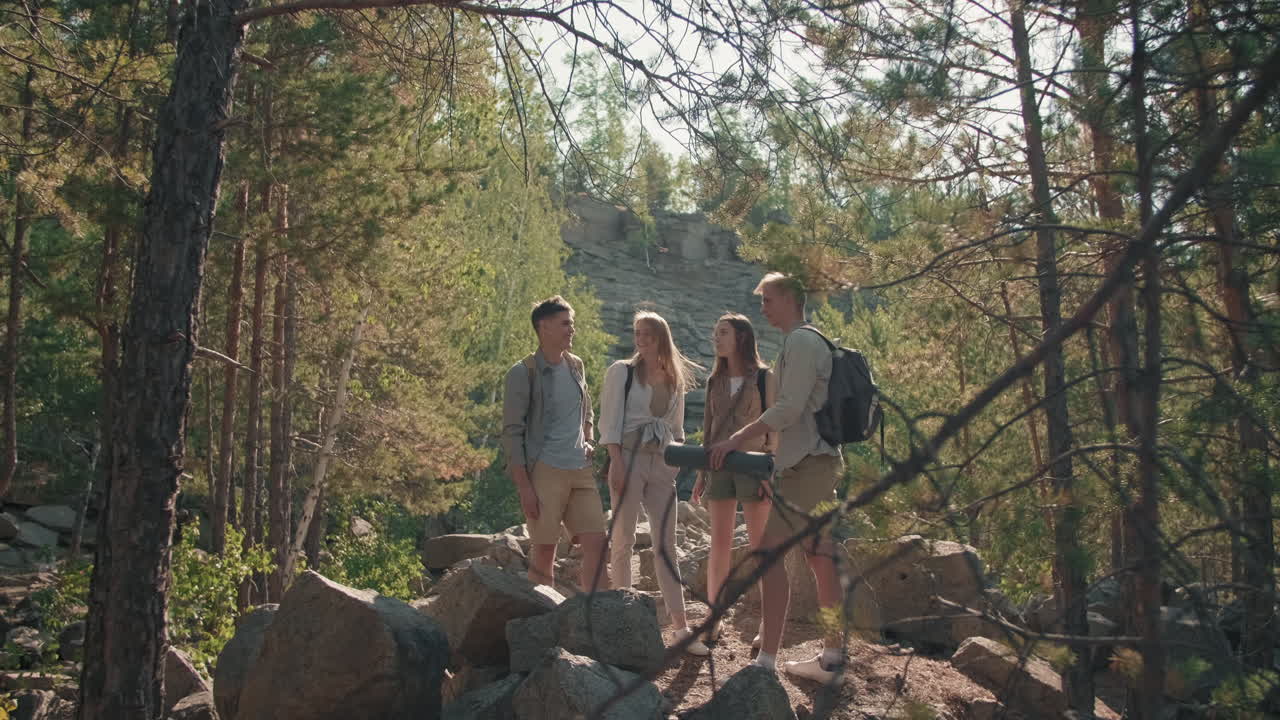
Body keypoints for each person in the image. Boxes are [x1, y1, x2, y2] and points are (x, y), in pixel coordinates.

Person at [708, 272, 847, 683]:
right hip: (814, 463)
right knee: (820, 557)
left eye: (768, 300)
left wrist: (736, 438)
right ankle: (832, 659)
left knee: (770, 556)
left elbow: (787, 410)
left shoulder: (802, 341)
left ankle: (765, 661)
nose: (763, 308)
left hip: (809, 466)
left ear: (788, 298)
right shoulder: (809, 341)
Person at [600, 310, 709, 656]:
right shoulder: (622, 372)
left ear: (661, 337)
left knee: (667, 547)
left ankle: (680, 629)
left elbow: (676, 430)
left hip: (661, 465)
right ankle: (623, 624)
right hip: (627, 460)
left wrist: (671, 468)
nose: (641, 339)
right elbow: (610, 422)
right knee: (623, 541)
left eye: (648, 333)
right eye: (637, 333)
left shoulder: (675, 378)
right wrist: (616, 463)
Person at [502, 295, 608, 592]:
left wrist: (588, 439)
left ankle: (598, 617)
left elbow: (587, 407)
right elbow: (512, 433)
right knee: (544, 552)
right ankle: (541, 624)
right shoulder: (522, 373)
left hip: (580, 469)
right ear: (544, 327)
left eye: (571, 324)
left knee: (598, 545)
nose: (571, 330)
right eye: (565, 324)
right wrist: (525, 487)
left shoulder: (576, 365)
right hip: (544, 472)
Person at [691, 313, 776, 643]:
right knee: (719, 545)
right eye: (715, 332)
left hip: (755, 465)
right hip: (718, 466)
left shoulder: (766, 377)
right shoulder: (715, 381)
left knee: (759, 546)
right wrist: (701, 475)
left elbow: (774, 426)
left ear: (741, 337)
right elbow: (708, 432)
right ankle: (714, 617)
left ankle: (767, 625)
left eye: (722, 332)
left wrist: (770, 470)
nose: (716, 338)